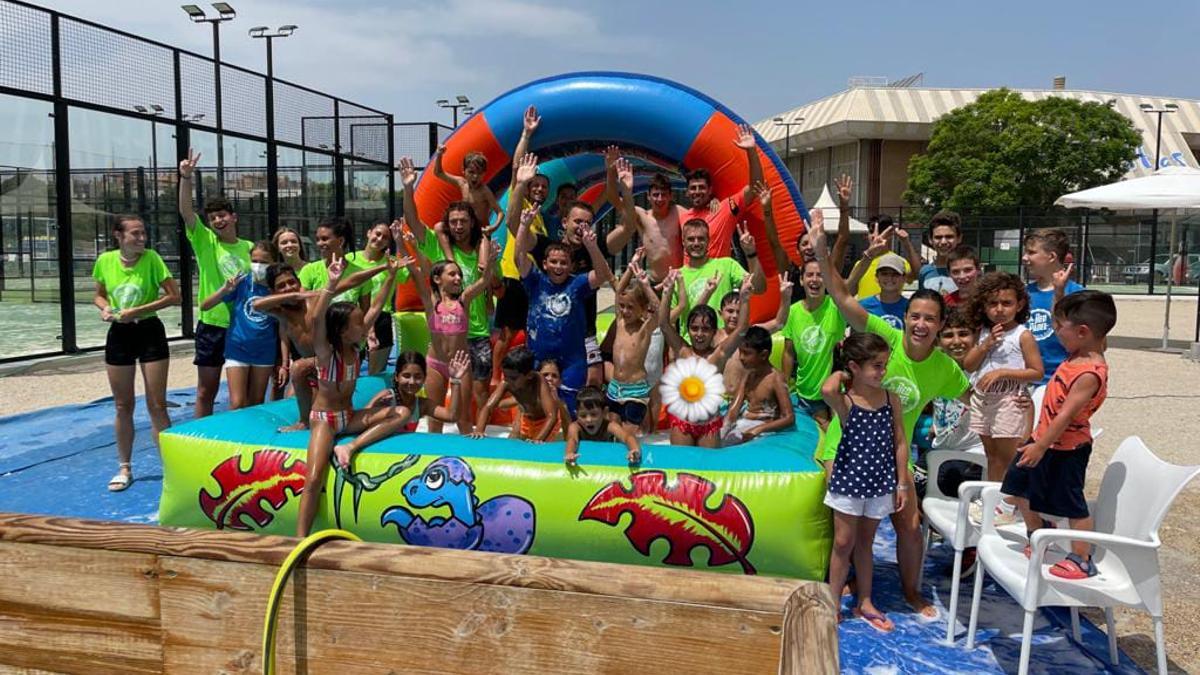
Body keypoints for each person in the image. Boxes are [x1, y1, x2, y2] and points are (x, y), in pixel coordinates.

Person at [811, 209, 969, 619]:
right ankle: (843, 584)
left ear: (940, 325)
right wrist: (822, 251)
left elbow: (972, 397)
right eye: (915, 316)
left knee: (910, 526)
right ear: (906, 318)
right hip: (845, 448)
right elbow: (842, 298)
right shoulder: (888, 338)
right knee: (845, 532)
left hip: (892, 455)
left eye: (929, 319)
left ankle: (911, 591)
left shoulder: (944, 368)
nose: (920, 324)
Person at [1000, 290, 1115, 580]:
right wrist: (1060, 293)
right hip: (1043, 439)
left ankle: (1082, 559)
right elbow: (1068, 322)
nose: (1055, 330)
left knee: (1072, 504)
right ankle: (1038, 532)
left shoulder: (1089, 372)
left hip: (1066, 449)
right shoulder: (1077, 352)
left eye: (1060, 326)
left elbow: (1065, 416)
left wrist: (1040, 446)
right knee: (1017, 485)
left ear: (1083, 332)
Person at [295, 254, 401, 537]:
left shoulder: (355, 349)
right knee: (314, 478)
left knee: (400, 413)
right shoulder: (326, 353)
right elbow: (316, 318)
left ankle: (351, 447)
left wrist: (391, 276)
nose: (363, 326)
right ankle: (300, 539)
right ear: (342, 331)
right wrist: (331, 284)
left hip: (350, 416)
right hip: (325, 420)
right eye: (357, 323)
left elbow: (377, 305)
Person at [820, 332, 910, 632]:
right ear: (855, 367)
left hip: (879, 482)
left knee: (866, 543)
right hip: (848, 482)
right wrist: (845, 372)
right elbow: (826, 388)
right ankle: (833, 601)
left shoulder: (891, 399)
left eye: (884, 364)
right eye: (876, 366)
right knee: (843, 542)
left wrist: (901, 483)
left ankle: (865, 601)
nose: (883, 371)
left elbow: (900, 442)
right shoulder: (846, 402)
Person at [92, 215, 180, 491]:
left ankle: (174, 470)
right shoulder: (105, 261)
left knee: (157, 404)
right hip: (119, 335)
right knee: (123, 405)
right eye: (135, 233)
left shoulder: (152, 259)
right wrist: (105, 308)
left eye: (143, 233)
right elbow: (99, 295)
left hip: (149, 331)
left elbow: (174, 296)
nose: (142, 238)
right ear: (118, 235)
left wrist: (137, 311)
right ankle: (125, 468)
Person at [253, 262, 385, 430]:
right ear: (273, 292)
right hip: (313, 369)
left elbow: (351, 281)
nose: (288, 287)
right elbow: (256, 305)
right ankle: (307, 419)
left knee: (298, 368)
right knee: (291, 396)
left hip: (332, 362)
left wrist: (383, 267)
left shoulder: (315, 297)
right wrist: (293, 296)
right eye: (281, 286)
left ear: (299, 282)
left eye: (292, 282)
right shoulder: (280, 311)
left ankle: (304, 421)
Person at [402, 196, 493, 428]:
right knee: (435, 417)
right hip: (435, 363)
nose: (458, 278)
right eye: (452, 274)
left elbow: (484, 281)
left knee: (463, 417)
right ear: (437, 278)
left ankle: (469, 444)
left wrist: (490, 259)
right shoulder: (431, 302)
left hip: (461, 363)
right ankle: (435, 448)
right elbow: (416, 271)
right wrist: (402, 243)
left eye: (459, 275)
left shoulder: (464, 300)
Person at [514, 203, 614, 412]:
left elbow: (602, 275)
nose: (558, 267)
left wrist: (592, 246)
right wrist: (523, 226)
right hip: (539, 356)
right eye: (554, 262)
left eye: (563, 263)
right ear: (545, 264)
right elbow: (519, 258)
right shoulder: (535, 281)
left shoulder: (577, 284)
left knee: (569, 407)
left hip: (572, 359)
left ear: (571, 266)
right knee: (535, 407)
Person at [178, 148, 252, 418]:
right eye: (213, 218)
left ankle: (240, 434)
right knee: (205, 390)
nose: (218, 220)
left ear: (234, 217)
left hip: (243, 327)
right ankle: (201, 436)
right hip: (212, 326)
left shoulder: (249, 248)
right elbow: (186, 212)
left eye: (222, 215)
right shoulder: (205, 242)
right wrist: (186, 178)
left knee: (242, 394)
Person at [962, 272, 1044, 490]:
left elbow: (1037, 371)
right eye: (992, 303)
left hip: (1008, 400)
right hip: (983, 401)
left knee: (1007, 457)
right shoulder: (982, 332)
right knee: (991, 456)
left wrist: (1003, 373)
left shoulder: (1022, 335)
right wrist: (985, 345)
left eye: (1006, 303)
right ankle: (992, 495)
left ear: (1019, 305)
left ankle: (1005, 500)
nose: (999, 309)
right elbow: (969, 365)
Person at [661, 275, 754, 447]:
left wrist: (745, 299)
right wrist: (667, 293)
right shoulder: (683, 351)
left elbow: (742, 329)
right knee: (681, 462)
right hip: (683, 423)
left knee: (709, 464)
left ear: (713, 332)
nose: (699, 334)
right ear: (688, 330)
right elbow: (664, 325)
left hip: (709, 425)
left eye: (705, 329)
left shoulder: (719, 355)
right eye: (694, 328)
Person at [199, 240, 280, 410]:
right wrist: (224, 289)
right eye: (255, 261)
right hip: (237, 348)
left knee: (257, 401)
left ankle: (252, 428)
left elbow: (284, 325)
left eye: (264, 262)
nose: (258, 266)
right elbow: (205, 306)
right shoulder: (241, 282)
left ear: (274, 263)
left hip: (264, 350)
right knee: (237, 403)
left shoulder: (277, 287)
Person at [678, 125, 764, 259]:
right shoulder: (682, 216)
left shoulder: (724, 209)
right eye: (693, 188)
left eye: (701, 187)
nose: (697, 191)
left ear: (710, 190)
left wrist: (751, 151)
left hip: (718, 272)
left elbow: (755, 187)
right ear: (687, 192)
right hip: (689, 272)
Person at [781, 258, 846, 432]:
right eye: (810, 275)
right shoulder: (792, 311)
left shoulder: (836, 306)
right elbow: (788, 352)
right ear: (801, 280)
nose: (815, 279)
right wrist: (784, 386)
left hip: (833, 392)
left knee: (837, 434)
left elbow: (851, 285)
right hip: (804, 393)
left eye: (820, 275)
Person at [351, 350, 470, 445]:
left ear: (424, 378)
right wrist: (376, 408)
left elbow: (452, 416)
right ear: (397, 377)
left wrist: (455, 380)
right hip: (380, 451)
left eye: (418, 377)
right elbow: (360, 422)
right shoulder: (387, 397)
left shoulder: (422, 405)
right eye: (406, 376)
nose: (412, 382)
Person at [606, 260, 669, 436]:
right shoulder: (620, 322)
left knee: (629, 432)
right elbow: (619, 290)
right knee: (613, 429)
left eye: (630, 307)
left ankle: (637, 447)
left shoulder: (644, 329)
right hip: (615, 386)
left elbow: (659, 310)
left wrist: (646, 285)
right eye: (622, 306)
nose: (625, 311)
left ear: (643, 309)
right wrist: (630, 267)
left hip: (635, 389)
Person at [677, 219, 766, 336]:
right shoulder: (677, 276)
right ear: (683, 242)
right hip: (691, 343)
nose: (696, 243)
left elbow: (759, 288)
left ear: (708, 240)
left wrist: (751, 253)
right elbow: (669, 321)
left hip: (724, 341)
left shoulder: (727, 265)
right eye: (691, 239)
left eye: (701, 239)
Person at [1022, 228, 1083, 385]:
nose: (1024, 257)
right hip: (1026, 379)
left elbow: (1097, 344)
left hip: (1061, 380)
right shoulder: (1023, 293)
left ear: (1051, 256)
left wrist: (1059, 294)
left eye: (1031, 252)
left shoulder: (1078, 294)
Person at [473, 347, 566, 442]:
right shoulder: (506, 382)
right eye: (505, 376)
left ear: (529, 375)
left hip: (545, 423)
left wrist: (537, 440)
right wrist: (479, 430)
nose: (508, 380)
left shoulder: (539, 381)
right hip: (526, 420)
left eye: (513, 378)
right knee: (515, 444)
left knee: (535, 447)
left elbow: (551, 416)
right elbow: (488, 407)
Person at [722, 326, 795, 445]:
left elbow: (789, 418)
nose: (741, 357)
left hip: (763, 426)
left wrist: (758, 429)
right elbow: (734, 409)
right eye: (740, 352)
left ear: (763, 355)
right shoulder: (749, 375)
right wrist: (723, 428)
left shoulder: (775, 379)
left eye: (747, 353)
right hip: (745, 422)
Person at [431, 144, 503, 237]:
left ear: (484, 174)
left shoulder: (484, 191)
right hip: (465, 230)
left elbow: (500, 212)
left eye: (479, 173)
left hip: (481, 232)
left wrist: (493, 227)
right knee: (439, 227)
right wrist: (439, 154)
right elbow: (438, 173)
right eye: (471, 172)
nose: (475, 176)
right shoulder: (462, 183)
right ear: (464, 171)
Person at [564, 386, 641, 466]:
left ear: (604, 412)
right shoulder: (575, 427)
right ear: (576, 414)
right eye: (583, 416)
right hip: (585, 461)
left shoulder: (609, 426)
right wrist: (570, 453)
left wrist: (634, 450)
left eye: (594, 414)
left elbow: (627, 437)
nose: (589, 420)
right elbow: (572, 440)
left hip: (606, 461)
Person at [359, 222, 398, 375]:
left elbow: (414, 272)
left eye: (385, 237)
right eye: (377, 234)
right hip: (355, 317)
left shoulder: (392, 262)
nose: (380, 239)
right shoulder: (351, 259)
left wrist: (401, 242)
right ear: (369, 233)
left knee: (376, 374)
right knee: (348, 370)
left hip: (381, 318)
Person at [918, 210, 963, 294]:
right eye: (938, 237)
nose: (943, 242)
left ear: (959, 238)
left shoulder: (967, 272)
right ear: (930, 239)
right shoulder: (924, 272)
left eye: (949, 237)